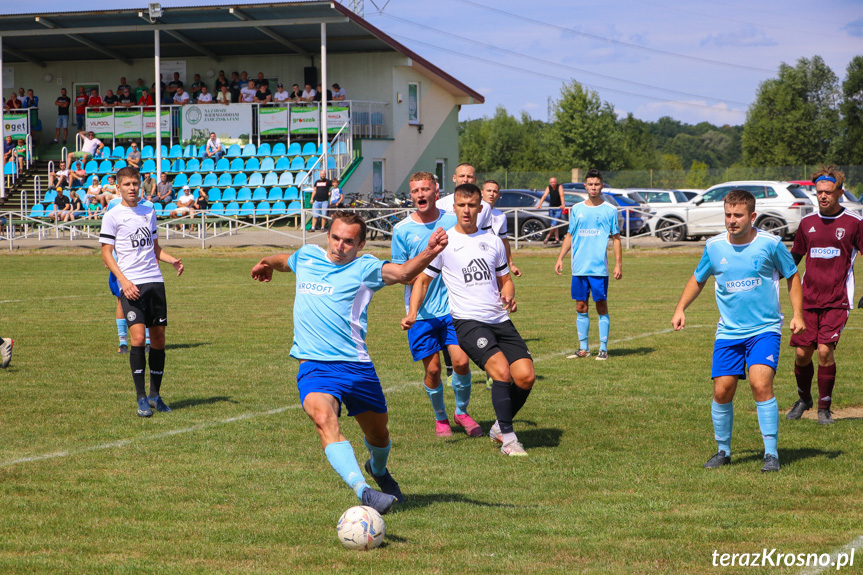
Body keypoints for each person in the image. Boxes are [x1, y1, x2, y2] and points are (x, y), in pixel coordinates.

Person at [249, 211, 448, 514]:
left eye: (349, 241)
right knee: (323, 419)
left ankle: (378, 470)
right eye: (336, 238)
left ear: (360, 244)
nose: (340, 246)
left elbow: (405, 273)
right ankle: (364, 490)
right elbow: (284, 260)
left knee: (379, 436)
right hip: (314, 367)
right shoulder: (307, 257)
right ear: (328, 236)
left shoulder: (366, 267)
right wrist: (266, 264)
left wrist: (431, 251)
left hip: (357, 367)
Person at [671, 189, 805, 473]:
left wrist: (797, 315)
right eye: (728, 214)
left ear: (752, 216)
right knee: (722, 390)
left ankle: (771, 454)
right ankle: (723, 451)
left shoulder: (771, 244)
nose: (732, 220)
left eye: (738, 215)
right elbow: (698, 279)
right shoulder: (715, 246)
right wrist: (680, 308)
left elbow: (792, 276)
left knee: (760, 384)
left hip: (764, 330)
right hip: (728, 333)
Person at [405, 183, 535, 456]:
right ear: (454, 208)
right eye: (461, 205)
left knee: (525, 377)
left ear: (480, 208)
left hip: (499, 319)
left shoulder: (493, 241)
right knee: (500, 371)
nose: (466, 210)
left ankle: (500, 425)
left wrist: (508, 296)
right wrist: (412, 313)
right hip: (467, 322)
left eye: (471, 205)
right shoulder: (445, 243)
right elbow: (422, 281)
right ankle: (509, 440)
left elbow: (505, 280)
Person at [392, 172, 482, 438]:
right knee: (432, 369)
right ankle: (441, 417)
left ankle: (462, 412)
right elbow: (401, 275)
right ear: (411, 195)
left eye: (425, 189)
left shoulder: (454, 221)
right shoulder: (402, 230)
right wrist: (428, 253)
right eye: (415, 191)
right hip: (421, 314)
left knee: (462, 362)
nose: (420, 194)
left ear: (436, 191)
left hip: (456, 308)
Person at [100, 166, 184, 417]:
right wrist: (123, 281)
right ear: (118, 187)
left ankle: (156, 395)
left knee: (158, 340)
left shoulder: (150, 210)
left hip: (154, 282)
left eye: (135, 183)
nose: (132, 188)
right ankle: (141, 399)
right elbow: (106, 253)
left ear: (140, 184)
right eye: (126, 184)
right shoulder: (112, 215)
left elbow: (155, 247)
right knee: (137, 339)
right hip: (131, 284)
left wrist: (172, 260)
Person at [786, 167, 863, 425]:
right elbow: (793, 260)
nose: (822, 196)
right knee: (801, 354)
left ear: (840, 192)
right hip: (807, 300)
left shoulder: (854, 223)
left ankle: (823, 408)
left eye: (828, 192)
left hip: (837, 300)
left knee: (823, 351)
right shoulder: (807, 224)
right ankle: (804, 399)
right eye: (818, 192)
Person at [554, 169, 622, 360]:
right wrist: (560, 258)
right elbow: (569, 235)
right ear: (585, 186)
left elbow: (616, 238)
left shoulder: (610, 210)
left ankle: (603, 348)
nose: (593, 187)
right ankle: (583, 349)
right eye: (590, 184)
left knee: (601, 306)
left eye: (597, 184)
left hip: (599, 268)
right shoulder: (577, 209)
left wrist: (618, 264)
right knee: (581, 307)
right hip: (579, 268)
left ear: (602, 185)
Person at [481, 179, 522, 277]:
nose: (491, 194)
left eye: (494, 191)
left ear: (498, 196)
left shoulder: (501, 216)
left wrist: (511, 264)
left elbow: (504, 241)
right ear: (481, 193)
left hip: (493, 259)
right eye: (488, 191)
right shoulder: (473, 212)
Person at [538, 177, 565, 244]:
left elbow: (562, 195)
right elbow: (544, 196)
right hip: (551, 207)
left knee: (554, 223)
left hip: (558, 208)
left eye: (554, 182)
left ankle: (547, 237)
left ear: (556, 182)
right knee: (553, 224)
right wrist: (540, 204)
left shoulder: (559, 186)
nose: (553, 184)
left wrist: (562, 204)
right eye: (551, 183)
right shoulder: (549, 187)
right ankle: (557, 239)